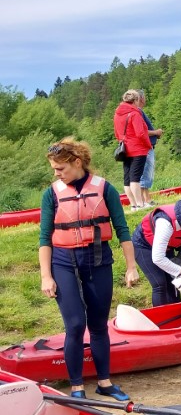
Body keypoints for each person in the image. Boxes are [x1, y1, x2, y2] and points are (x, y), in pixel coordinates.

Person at [39, 138, 139, 401]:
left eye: (60, 168)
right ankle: (76, 387)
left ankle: (104, 383)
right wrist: (46, 276)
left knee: (98, 325)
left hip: (97, 259)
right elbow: (44, 238)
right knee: (74, 325)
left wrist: (131, 267)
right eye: (54, 169)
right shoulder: (51, 193)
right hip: (63, 261)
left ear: (77, 163)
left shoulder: (105, 188)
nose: (56, 174)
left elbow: (122, 230)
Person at [114, 89, 152, 212]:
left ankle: (133, 205)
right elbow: (141, 133)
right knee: (135, 178)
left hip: (124, 150)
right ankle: (141, 204)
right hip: (138, 149)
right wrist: (148, 145)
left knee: (127, 179)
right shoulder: (134, 114)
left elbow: (116, 133)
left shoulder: (117, 114)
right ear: (135, 100)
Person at [136, 90, 163, 208]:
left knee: (146, 174)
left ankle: (146, 199)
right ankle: (145, 200)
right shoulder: (137, 112)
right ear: (141, 99)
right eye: (144, 97)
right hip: (145, 147)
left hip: (145, 147)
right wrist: (156, 132)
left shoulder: (137, 112)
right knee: (145, 173)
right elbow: (142, 131)